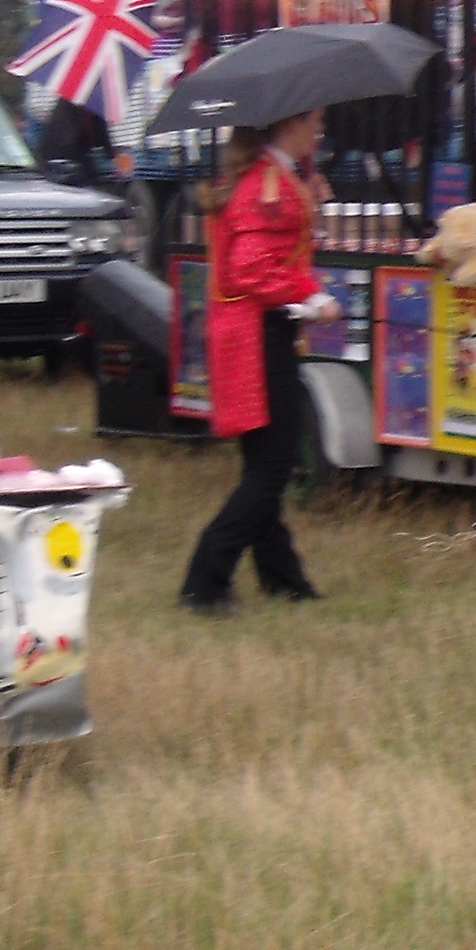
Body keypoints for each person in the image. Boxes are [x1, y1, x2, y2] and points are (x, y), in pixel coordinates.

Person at [179, 111, 340, 615]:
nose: (320, 131)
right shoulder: (266, 185)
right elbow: (250, 269)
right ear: (286, 124)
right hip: (257, 339)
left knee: (264, 466)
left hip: (249, 335)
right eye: (313, 122)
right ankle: (205, 580)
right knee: (272, 469)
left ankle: (284, 581)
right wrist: (313, 299)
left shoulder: (266, 180)